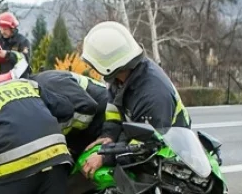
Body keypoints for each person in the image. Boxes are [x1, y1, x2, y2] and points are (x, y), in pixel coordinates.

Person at [77, 21, 190, 176]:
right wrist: (108, 135)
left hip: (169, 156)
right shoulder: (120, 78)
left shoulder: (153, 95)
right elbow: (114, 111)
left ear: (108, 65)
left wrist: (105, 157)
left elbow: (144, 147)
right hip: (142, 141)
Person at [0, 12, 32, 81]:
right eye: (1, 29)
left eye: (5, 29)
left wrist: (7, 55)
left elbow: (25, 59)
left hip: (19, 80)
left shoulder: (22, 41)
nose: (2, 32)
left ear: (12, 29)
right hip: (1, 80)